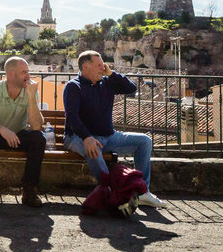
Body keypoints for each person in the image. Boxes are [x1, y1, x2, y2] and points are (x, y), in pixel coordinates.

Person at [62, 50, 167, 208]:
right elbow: (72, 117)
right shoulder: (73, 87)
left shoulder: (107, 83)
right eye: (98, 65)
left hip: (109, 137)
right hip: (77, 137)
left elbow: (130, 88)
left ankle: (143, 192)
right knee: (93, 148)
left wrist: (111, 74)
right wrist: (87, 138)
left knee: (144, 141)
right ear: (85, 66)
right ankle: (113, 193)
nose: (103, 67)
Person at [0, 56, 46, 207]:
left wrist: (31, 97)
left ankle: (29, 189)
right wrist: (1, 129)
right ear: (11, 74)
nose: (28, 76)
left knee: (38, 138)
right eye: (24, 72)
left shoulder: (30, 90)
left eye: (28, 72)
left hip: (19, 135)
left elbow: (36, 126)